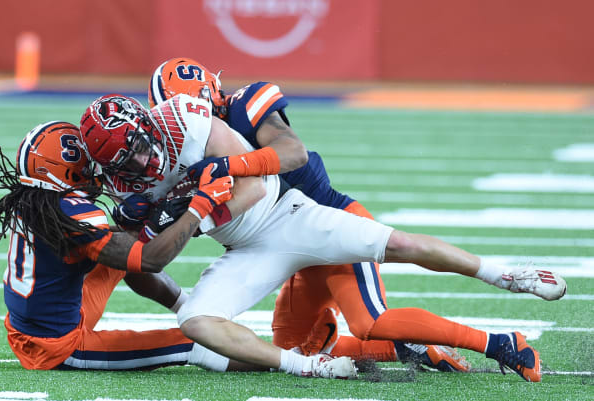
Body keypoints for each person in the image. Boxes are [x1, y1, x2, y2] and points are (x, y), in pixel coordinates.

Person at [80, 93, 565, 382]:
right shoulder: (125, 184)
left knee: (389, 274)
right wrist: (173, 222)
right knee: (199, 323)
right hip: (246, 250)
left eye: (141, 151)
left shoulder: (194, 121)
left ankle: (507, 277)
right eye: (126, 164)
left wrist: (199, 210)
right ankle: (314, 368)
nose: (143, 167)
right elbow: (148, 260)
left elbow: (265, 175)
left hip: (295, 216)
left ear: (152, 120)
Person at [147, 57, 473, 372]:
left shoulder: (243, 109)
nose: (181, 124)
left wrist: (228, 168)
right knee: (292, 347)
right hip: (284, 244)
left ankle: (497, 342)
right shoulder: (187, 144)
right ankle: (405, 348)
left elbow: (292, 155)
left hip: (329, 226)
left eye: (183, 112)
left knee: (370, 321)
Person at [0, 120, 240, 372]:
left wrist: (139, 226)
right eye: (83, 163)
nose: (92, 169)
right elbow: (151, 260)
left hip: (31, 325)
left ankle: (188, 308)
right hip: (59, 347)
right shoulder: (72, 214)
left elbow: (119, 246)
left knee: (123, 249)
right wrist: (199, 206)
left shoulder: (33, 201)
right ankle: (279, 360)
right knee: (196, 342)